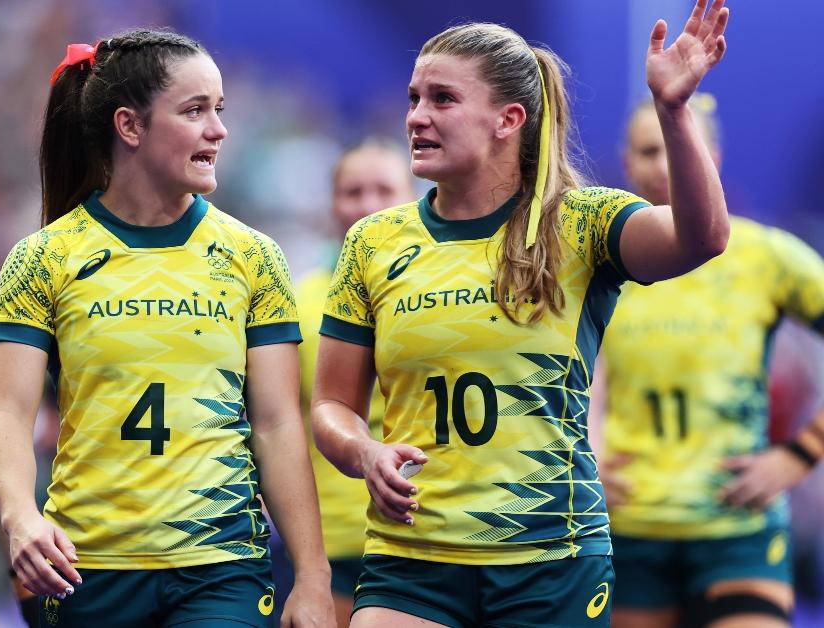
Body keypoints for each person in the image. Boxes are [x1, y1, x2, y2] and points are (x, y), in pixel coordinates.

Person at [310, 2, 730, 626]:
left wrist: (673, 111)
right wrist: (363, 452)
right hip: (411, 558)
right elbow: (331, 404)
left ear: (509, 119)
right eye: (414, 97)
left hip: (550, 559)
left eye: (443, 99)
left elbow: (702, 238)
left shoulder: (582, 222)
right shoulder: (373, 243)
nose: (416, 117)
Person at [0, 28, 334, 627]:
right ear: (130, 126)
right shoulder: (42, 258)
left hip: (223, 566)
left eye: (219, 110)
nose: (218, 131)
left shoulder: (254, 257)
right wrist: (20, 517)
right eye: (195, 111)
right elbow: (7, 414)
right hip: (86, 567)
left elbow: (276, 423)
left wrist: (312, 574)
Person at [595, 92, 824, 628]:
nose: (665, 163)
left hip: (738, 530)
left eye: (680, 145)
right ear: (627, 164)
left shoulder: (766, 256)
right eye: (649, 151)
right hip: (628, 527)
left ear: (712, 156)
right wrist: (584, 458)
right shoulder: (600, 261)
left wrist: (799, 454)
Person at [295, 139, 415, 627]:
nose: (368, 205)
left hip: (428, 536)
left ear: (413, 196)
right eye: (353, 191)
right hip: (332, 540)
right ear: (332, 204)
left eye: (384, 190)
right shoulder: (295, 300)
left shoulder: (451, 295)